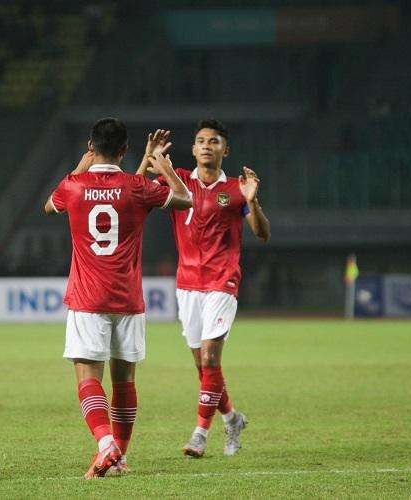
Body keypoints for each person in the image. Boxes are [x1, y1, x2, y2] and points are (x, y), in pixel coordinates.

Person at [44, 118, 192, 478]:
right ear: (125, 150)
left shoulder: (73, 186)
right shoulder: (137, 187)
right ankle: (120, 456)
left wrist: (82, 163)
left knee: (87, 376)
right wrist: (165, 167)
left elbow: (50, 205)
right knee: (124, 381)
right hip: (127, 301)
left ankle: (105, 444)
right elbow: (185, 200)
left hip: (87, 299)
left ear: (91, 147)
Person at [136, 120, 271, 458]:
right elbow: (136, 190)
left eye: (214, 141)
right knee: (204, 366)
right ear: (194, 150)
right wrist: (148, 157)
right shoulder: (178, 179)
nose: (207, 145)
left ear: (225, 149)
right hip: (188, 284)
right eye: (200, 141)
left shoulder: (238, 188)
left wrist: (253, 202)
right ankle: (232, 418)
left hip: (222, 280)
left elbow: (262, 233)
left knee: (211, 357)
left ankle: (200, 433)